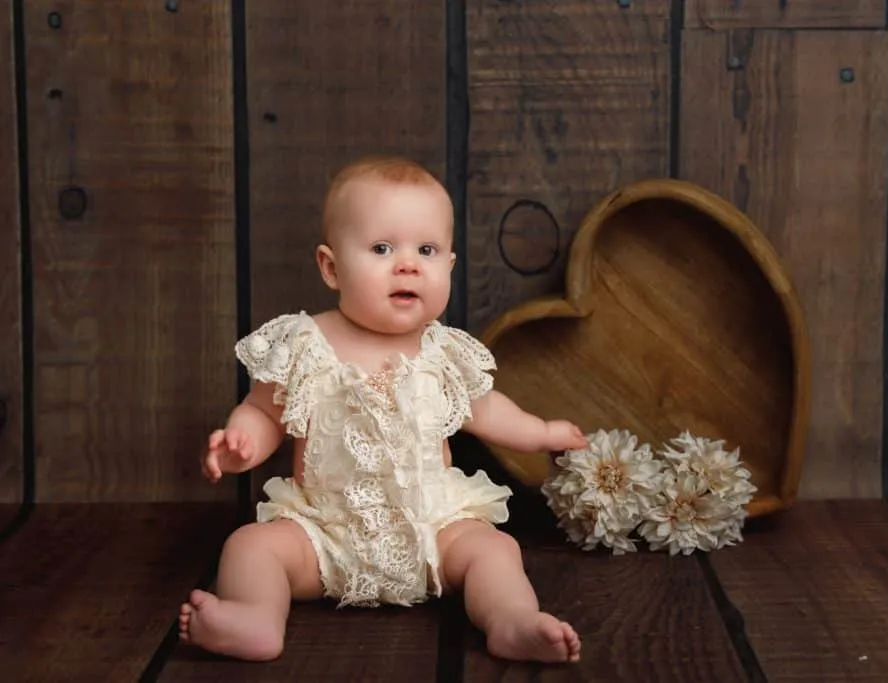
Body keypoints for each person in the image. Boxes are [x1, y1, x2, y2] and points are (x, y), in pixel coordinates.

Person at [178, 155, 587, 664]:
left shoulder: (442, 352)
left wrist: (543, 432)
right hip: (324, 534)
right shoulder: (306, 343)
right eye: (382, 248)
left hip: (435, 530)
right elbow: (263, 413)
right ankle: (255, 618)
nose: (408, 264)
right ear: (331, 267)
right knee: (250, 546)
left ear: (449, 266)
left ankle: (511, 621)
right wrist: (239, 444)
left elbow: (486, 410)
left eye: (428, 250)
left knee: (495, 550)